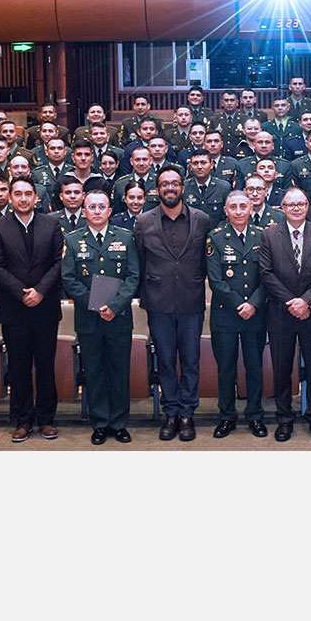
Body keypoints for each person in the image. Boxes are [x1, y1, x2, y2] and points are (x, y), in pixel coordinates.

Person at [134, 168, 210, 442]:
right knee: (165, 362)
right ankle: (171, 414)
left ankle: (188, 414)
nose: (170, 188)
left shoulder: (201, 220)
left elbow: (205, 260)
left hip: (191, 302)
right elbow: (139, 262)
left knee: (191, 362)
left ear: (182, 187)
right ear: (157, 189)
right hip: (158, 303)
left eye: (174, 183)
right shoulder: (144, 221)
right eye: (164, 184)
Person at [0, 177, 65, 441]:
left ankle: (47, 419)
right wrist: (23, 293)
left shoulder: (52, 224)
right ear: (10, 198)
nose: (23, 198)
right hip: (14, 308)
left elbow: (58, 263)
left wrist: (40, 291)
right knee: (18, 367)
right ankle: (23, 420)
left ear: (36, 198)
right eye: (17, 193)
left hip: (45, 308)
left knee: (45, 365)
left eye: (28, 193)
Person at [258, 188, 311, 442]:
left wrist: (306, 301)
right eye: (290, 204)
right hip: (281, 313)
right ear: (282, 207)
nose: (296, 208)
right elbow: (266, 272)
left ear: (307, 206)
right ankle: (284, 419)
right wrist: (292, 301)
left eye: (301, 204)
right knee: (282, 370)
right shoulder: (269, 235)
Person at [63, 189, 140, 445]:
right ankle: (100, 423)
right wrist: (94, 305)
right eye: (91, 206)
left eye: (101, 206)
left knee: (119, 371)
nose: (96, 211)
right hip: (88, 319)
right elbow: (69, 279)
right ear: (84, 211)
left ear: (109, 211)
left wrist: (114, 306)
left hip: (118, 318)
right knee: (94, 371)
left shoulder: (126, 237)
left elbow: (133, 277)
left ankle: (119, 423)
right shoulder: (73, 240)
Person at [206, 190, 267, 439]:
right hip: (225, 315)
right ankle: (227, 416)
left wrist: (252, 304)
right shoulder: (215, 238)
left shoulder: (263, 237)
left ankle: (255, 415)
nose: (239, 211)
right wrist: (238, 304)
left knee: (254, 367)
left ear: (252, 208)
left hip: (255, 314)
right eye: (234, 207)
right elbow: (215, 280)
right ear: (226, 210)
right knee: (226, 368)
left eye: (244, 206)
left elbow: (268, 277)